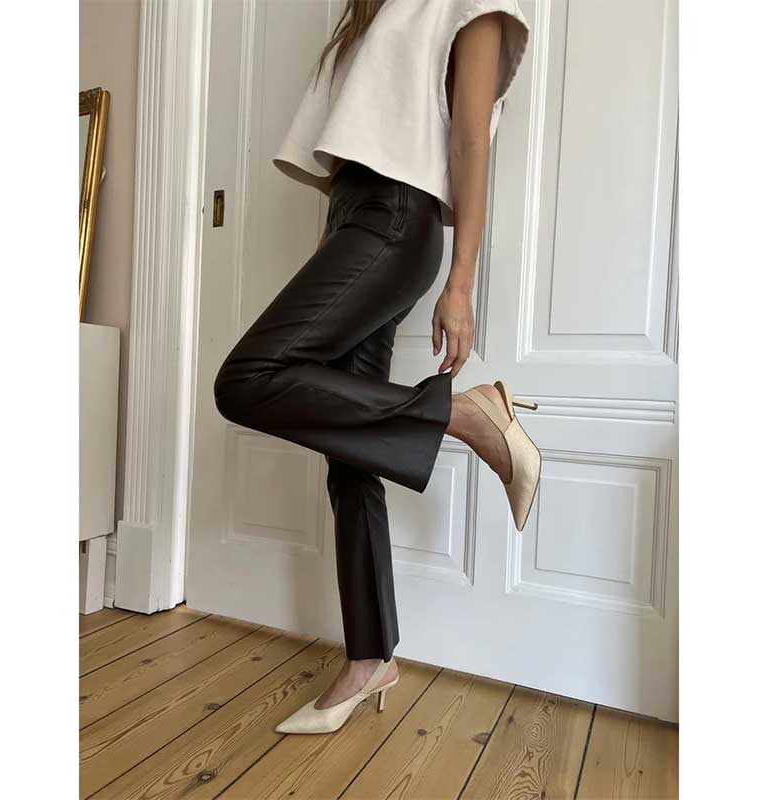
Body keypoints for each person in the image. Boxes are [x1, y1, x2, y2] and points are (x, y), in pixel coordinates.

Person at [213, 0, 539, 735]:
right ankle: (370, 658)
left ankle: (466, 413)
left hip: (395, 221)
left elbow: (470, 139)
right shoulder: (371, 10)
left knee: (247, 379)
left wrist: (461, 283)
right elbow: (353, 149)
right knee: (350, 452)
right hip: (356, 222)